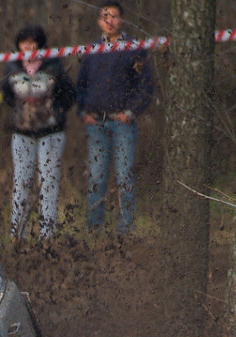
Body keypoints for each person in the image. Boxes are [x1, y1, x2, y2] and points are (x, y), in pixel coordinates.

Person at [77, 0, 154, 233]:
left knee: (124, 177)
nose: (109, 21)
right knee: (96, 178)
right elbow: (80, 84)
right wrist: (82, 112)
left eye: (114, 16)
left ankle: (125, 230)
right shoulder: (91, 51)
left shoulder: (134, 48)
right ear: (99, 20)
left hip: (123, 123)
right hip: (96, 123)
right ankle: (94, 229)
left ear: (122, 19)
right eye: (105, 16)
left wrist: (130, 112)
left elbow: (145, 86)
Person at [0, 25, 75, 240]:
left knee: (48, 183)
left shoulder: (54, 65)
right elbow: (6, 95)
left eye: (33, 43)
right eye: (25, 43)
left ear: (40, 45)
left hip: (51, 133)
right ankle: (17, 235)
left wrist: (56, 114)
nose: (29, 47)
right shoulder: (12, 66)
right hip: (22, 133)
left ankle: (47, 236)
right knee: (21, 182)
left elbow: (69, 94)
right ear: (18, 45)